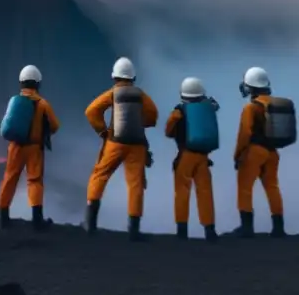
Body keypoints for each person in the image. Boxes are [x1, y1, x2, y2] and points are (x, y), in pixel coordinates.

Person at [84, 56, 158, 241]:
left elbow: (91, 111)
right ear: (132, 77)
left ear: (115, 77)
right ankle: (134, 230)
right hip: (137, 145)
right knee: (135, 184)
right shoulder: (140, 95)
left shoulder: (113, 93)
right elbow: (153, 115)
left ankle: (90, 223)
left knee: (100, 175)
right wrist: (142, 122)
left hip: (115, 142)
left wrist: (102, 131)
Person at [0, 65, 61, 231]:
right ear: (37, 84)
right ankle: (37, 220)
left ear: (21, 83)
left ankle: (3, 217)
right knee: (34, 181)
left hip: (15, 146)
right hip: (34, 148)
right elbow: (55, 125)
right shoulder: (42, 104)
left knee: (10, 178)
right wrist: (43, 131)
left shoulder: (15, 101)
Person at [164, 77, 219, 241]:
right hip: (203, 157)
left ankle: (182, 232)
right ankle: (210, 230)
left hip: (186, 156)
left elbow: (168, 131)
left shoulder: (179, 111)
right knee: (205, 193)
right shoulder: (208, 108)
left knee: (182, 192)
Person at [234, 67, 286, 237]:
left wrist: (238, 154)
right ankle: (278, 228)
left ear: (250, 87)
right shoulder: (274, 104)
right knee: (272, 187)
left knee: (245, 188)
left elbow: (245, 133)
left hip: (254, 152)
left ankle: (247, 228)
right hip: (273, 153)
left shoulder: (251, 107)